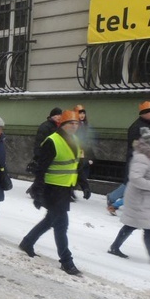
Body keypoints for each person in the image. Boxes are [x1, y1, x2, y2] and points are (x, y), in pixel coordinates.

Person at [20, 110, 91, 276]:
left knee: (51, 220)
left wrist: (84, 184)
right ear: (62, 125)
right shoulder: (52, 141)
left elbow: (76, 165)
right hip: (52, 188)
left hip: (65, 188)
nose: (74, 126)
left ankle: (28, 241)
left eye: (76, 124)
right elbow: (41, 168)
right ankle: (67, 261)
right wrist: (37, 190)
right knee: (61, 224)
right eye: (70, 124)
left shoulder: (75, 140)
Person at [108, 128, 150, 264]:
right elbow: (135, 179)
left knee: (143, 227)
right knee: (137, 226)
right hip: (139, 199)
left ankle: (115, 247)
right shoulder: (141, 157)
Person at [107, 101, 150, 214]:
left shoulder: (149, 125)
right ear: (144, 113)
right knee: (132, 183)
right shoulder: (136, 127)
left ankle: (114, 199)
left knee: (132, 182)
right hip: (136, 158)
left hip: (144, 158)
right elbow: (135, 145)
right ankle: (114, 200)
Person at [26, 107, 62, 174]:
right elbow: (39, 142)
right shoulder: (45, 126)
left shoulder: (60, 127)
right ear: (52, 116)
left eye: (60, 115)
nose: (58, 117)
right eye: (56, 115)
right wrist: (39, 155)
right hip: (45, 155)